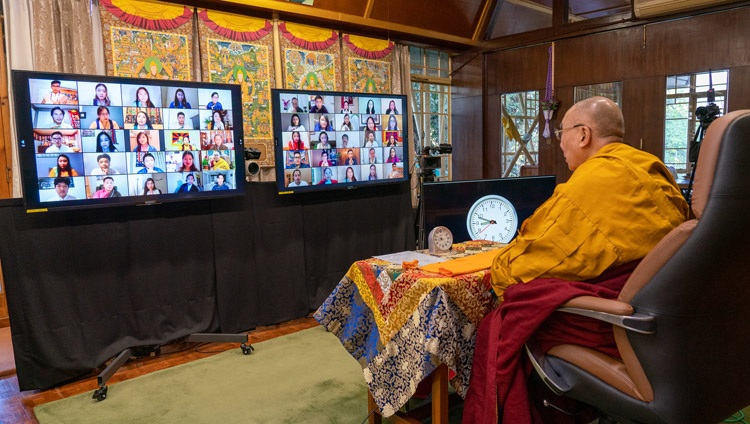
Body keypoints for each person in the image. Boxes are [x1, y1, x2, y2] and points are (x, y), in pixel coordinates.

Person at [462, 96, 690, 424]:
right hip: (664, 316)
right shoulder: (653, 168)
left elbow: (528, 266)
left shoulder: (590, 183)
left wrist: (499, 267)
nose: (560, 143)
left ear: (583, 135)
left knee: (508, 315)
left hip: (611, 323)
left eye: (561, 133)